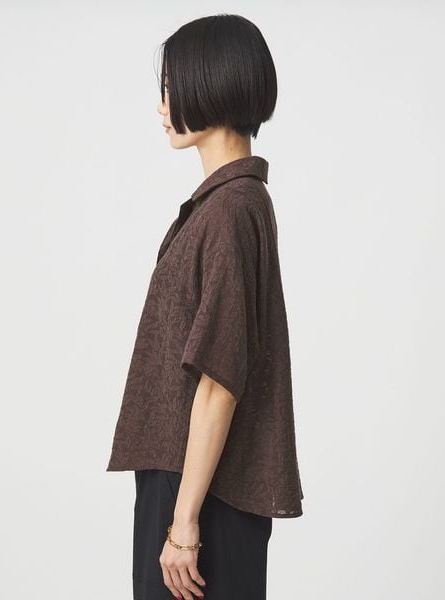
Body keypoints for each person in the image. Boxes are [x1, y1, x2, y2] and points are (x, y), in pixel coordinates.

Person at [106, 13, 305, 600]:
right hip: (193, 480)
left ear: (211, 84)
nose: (162, 105)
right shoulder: (229, 204)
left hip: (202, 492)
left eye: (172, 87)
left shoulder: (232, 209)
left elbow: (220, 379)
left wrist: (184, 522)